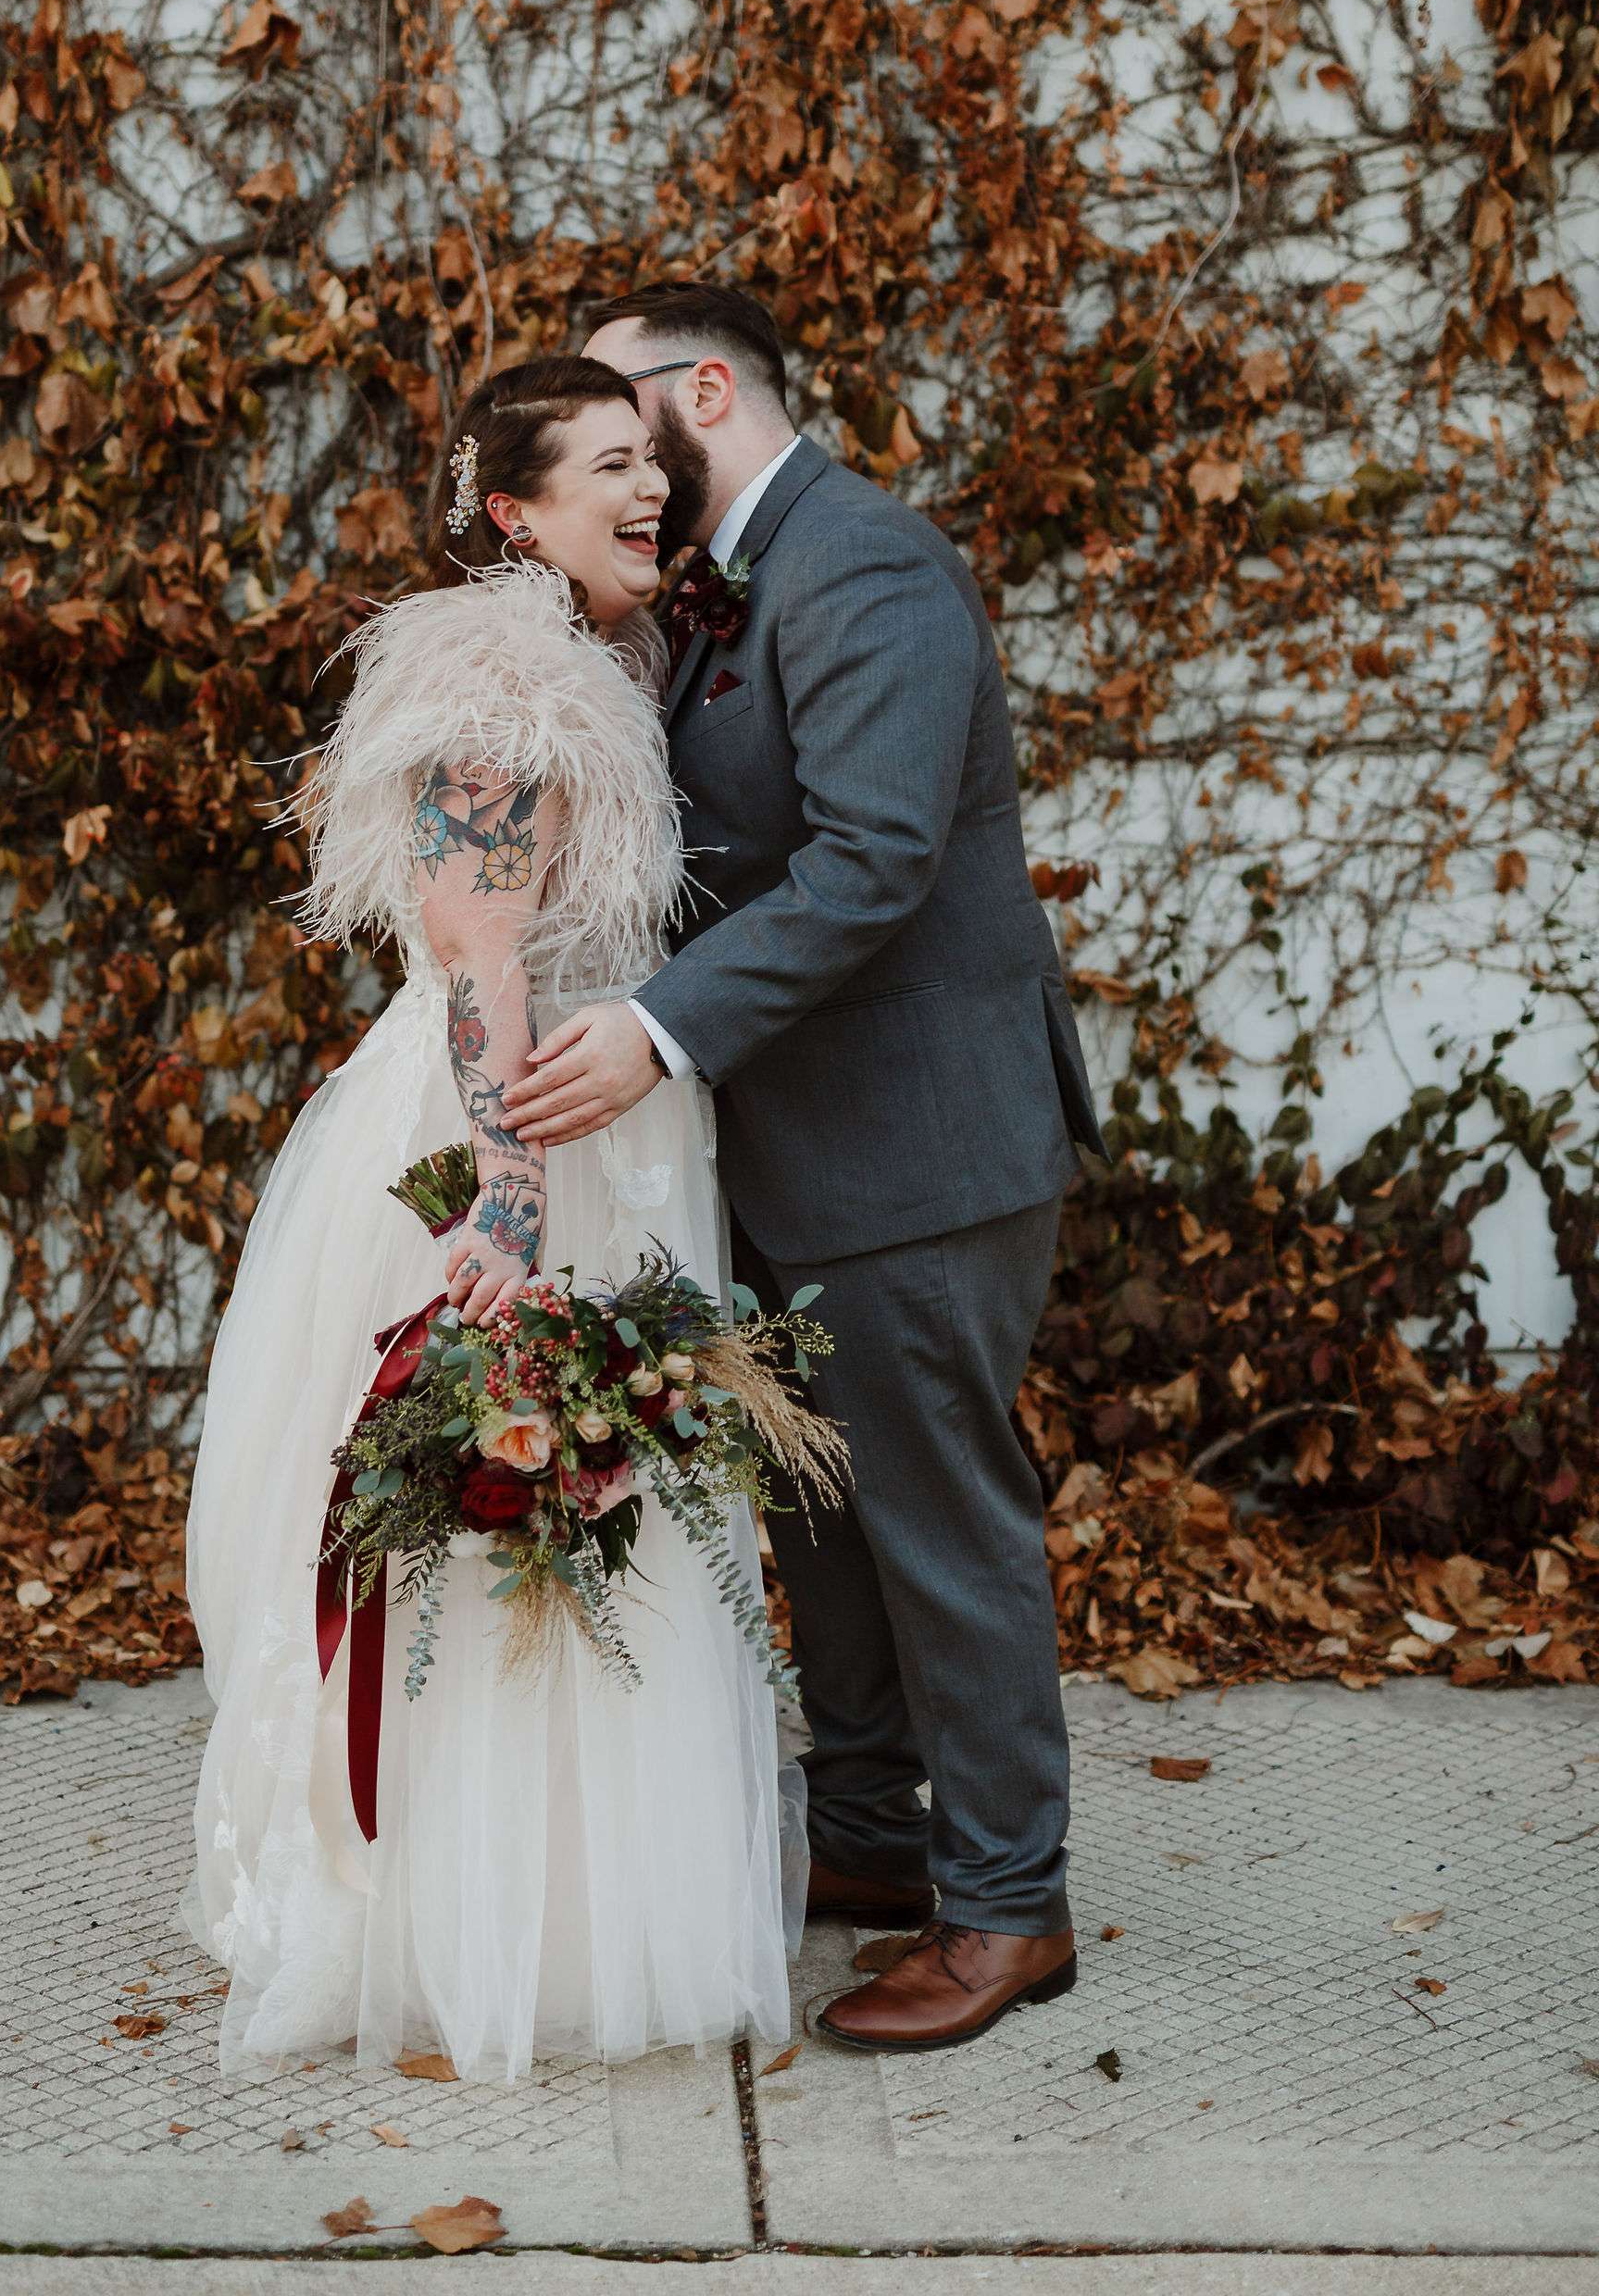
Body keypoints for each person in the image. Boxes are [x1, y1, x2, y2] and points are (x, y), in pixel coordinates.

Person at [504, 284, 1107, 2053]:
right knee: (824, 1515)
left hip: (922, 1143)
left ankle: (1008, 1906)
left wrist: (658, 1029)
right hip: (799, 1140)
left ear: (706, 390)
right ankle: (869, 1835)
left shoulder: (864, 564)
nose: (613, 449)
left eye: (623, 406)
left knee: (940, 1522)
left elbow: (873, 859)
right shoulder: (719, 583)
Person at [181, 355, 797, 2084]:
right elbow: (479, 954)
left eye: (652, 460)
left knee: (616, 1525)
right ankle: (449, 1922)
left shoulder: (611, 653)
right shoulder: (501, 681)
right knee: (496, 1523)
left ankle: (594, 1911)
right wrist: (511, 1213)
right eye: (607, 465)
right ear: (514, 511)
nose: (650, 488)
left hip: (617, 1115)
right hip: (514, 1127)